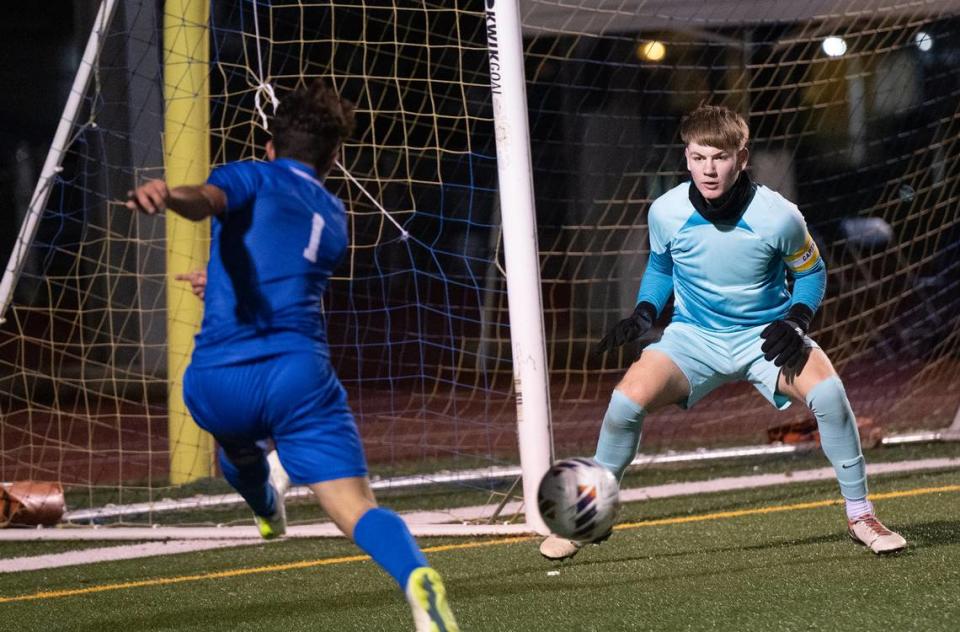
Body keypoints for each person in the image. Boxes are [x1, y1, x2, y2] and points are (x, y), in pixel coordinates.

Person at [126, 79, 460, 632]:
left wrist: (168, 193)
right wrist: (226, 277)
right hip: (297, 375)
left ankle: (263, 506)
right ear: (335, 156)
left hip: (218, 379)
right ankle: (416, 578)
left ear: (270, 147)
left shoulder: (250, 175)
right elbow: (284, 267)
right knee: (357, 509)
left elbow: (205, 200)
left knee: (236, 443)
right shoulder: (333, 216)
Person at [540, 104, 906, 561]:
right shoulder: (666, 211)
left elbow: (812, 274)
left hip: (765, 338)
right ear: (686, 157)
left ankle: (860, 514)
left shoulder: (779, 216)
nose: (709, 169)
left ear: (742, 157)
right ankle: (589, 515)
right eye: (698, 157)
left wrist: (795, 320)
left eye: (720, 157)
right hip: (693, 339)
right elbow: (660, 266)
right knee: (623, 403)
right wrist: (643, 312)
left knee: (830, 396)